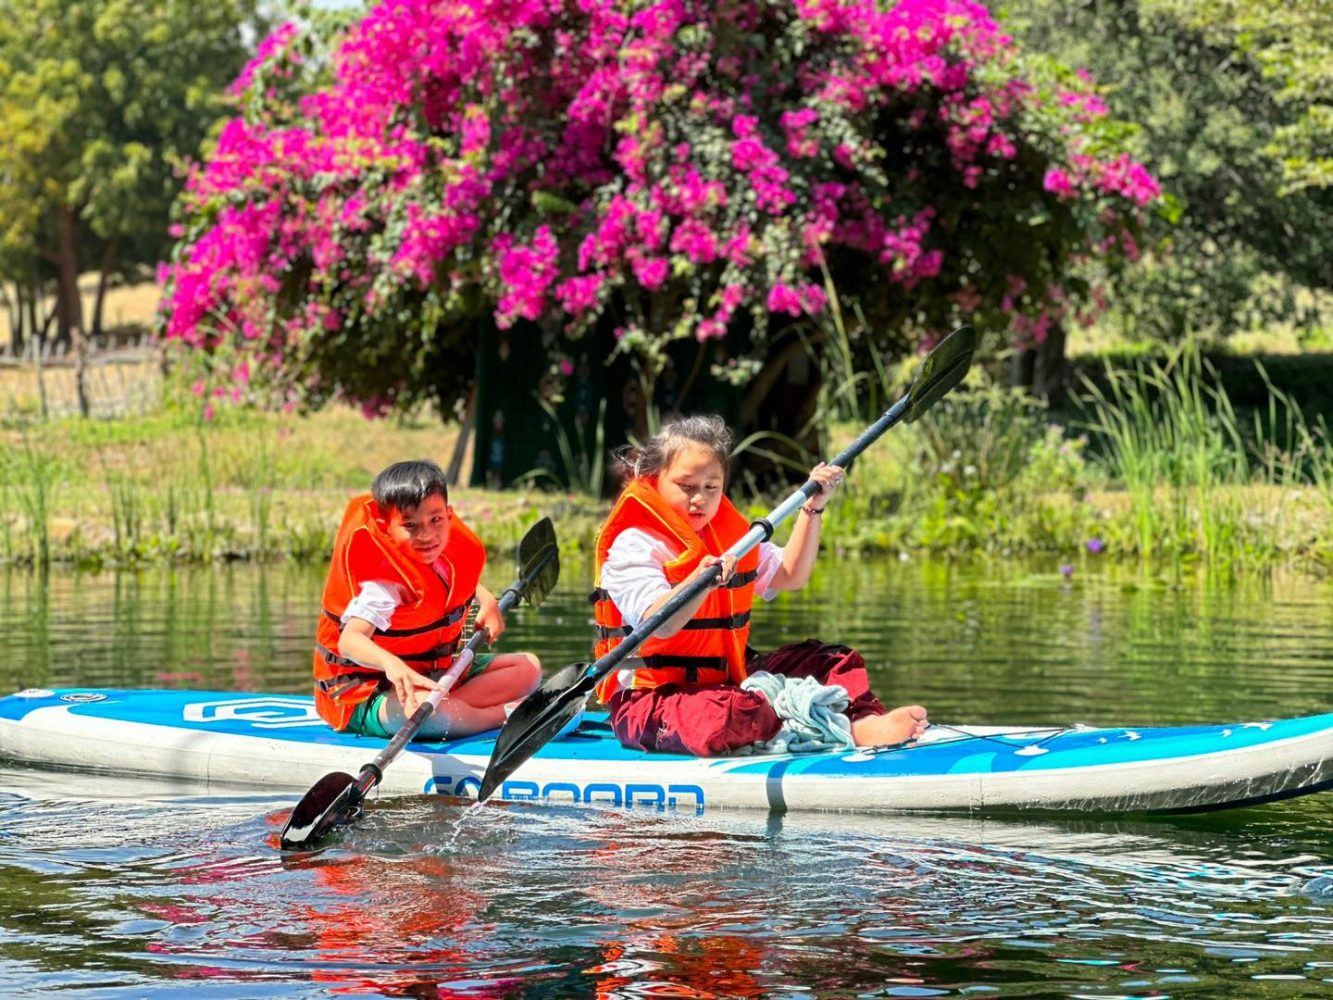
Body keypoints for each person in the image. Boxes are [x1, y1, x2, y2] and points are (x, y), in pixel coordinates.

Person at [591, 415, 928, 756]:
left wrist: (813, 509)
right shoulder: (633, 544)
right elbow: (659, 625)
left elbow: (790, 574)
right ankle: (796, 720)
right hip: (649, 701)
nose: (700, 499)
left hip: (730, 684)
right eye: (686, 486)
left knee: (833, 661)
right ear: (654, 480)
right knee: (733, 712)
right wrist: (699, 583)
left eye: (711, 487)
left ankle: (860, 725)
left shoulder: (729, 536)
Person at [313, 459, 541, 739]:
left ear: (449, 514)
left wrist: (487, 601)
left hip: (431, 676)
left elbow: (449, 584)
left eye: (435, 520)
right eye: (410, 526)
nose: (427, 535)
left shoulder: (442, 555)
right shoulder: (381, 585)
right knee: (429, 713)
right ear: (387, 528)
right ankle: (504, 716)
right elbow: (349, 641)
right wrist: (391, 665)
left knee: (528, 667)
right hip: (366, 694)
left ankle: (459, 711)